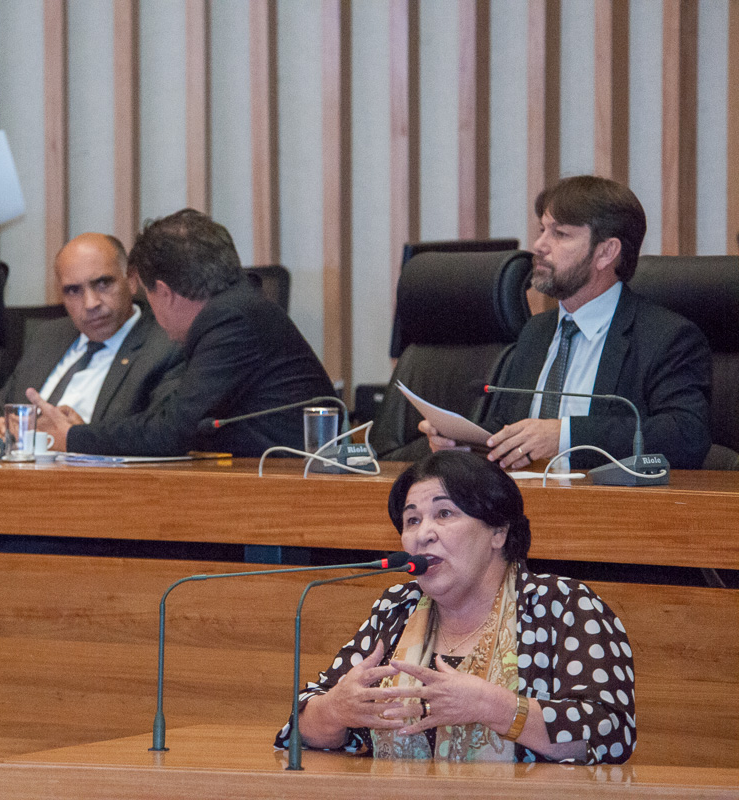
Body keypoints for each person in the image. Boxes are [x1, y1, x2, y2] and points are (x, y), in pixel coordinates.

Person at [278, 450, 636, 764]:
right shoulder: (397, 608)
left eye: (444, 514)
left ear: (498, 532)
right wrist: (335, 710)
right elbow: (301, 727)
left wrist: (494, 707)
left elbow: (611, 733)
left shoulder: (563, 605)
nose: (423, 534)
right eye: (412, 520)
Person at [420, 175, 711, 470]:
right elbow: (512, 425)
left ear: (606, 252)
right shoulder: (537, 331)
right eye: (542, 230)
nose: (539, 245)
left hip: (603, 495)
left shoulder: (666, 337)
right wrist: (467, 442)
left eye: (560, 234)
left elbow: (686, 436)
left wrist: (565, 436)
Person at [29, 209, 334, 457]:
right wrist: (86, 433)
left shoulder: (231, 322)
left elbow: (171, 432)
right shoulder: (237, 310)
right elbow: (172, 417)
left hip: (299, 489)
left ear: (163, 292)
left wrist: (73, 437)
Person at [0, 232, 182, 433]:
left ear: (131, 279)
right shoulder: (47, 336)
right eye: (73, 291)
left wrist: (81, 438)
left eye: (103, 284)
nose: (90, 303)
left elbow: (164, 436)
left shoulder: (166, 345)